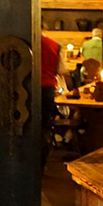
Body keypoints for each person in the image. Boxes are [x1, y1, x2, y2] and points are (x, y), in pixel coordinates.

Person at [40, 33, 66, 162]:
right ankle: (42, 160)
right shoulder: (54, 45)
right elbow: (61, 69)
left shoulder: (25, 42)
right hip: (47, 88)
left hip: (26, 87)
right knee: (45, 125)